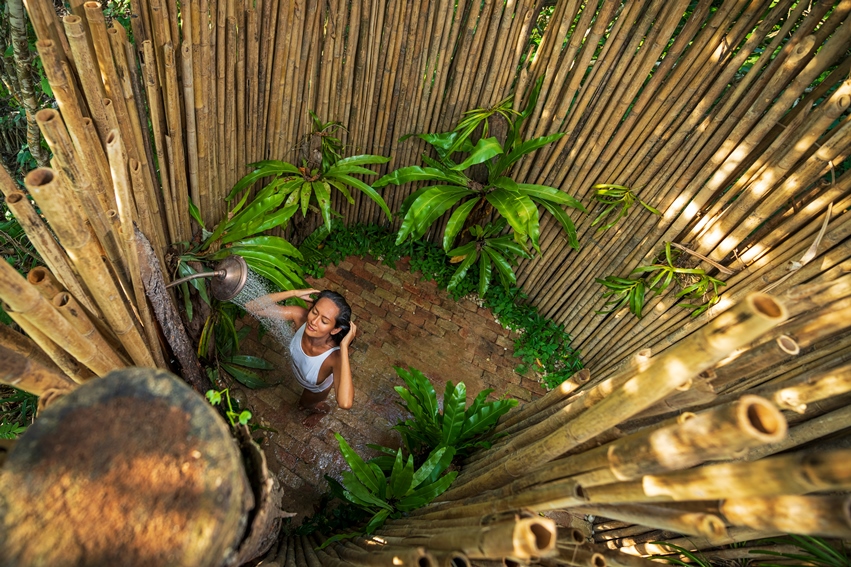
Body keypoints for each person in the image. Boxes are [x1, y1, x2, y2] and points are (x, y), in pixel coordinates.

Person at [245, 288, 356, 421]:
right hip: (299, 373)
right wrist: (293, 293)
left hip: (315, 389)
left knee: (305, 405)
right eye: (314, 312)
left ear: (335, 329)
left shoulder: (334, 358)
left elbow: (345, 403)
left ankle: (323, 411)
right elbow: (251, 306)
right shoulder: (300, 316)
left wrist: (344, 347)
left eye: (324, 321)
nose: (313, 322)